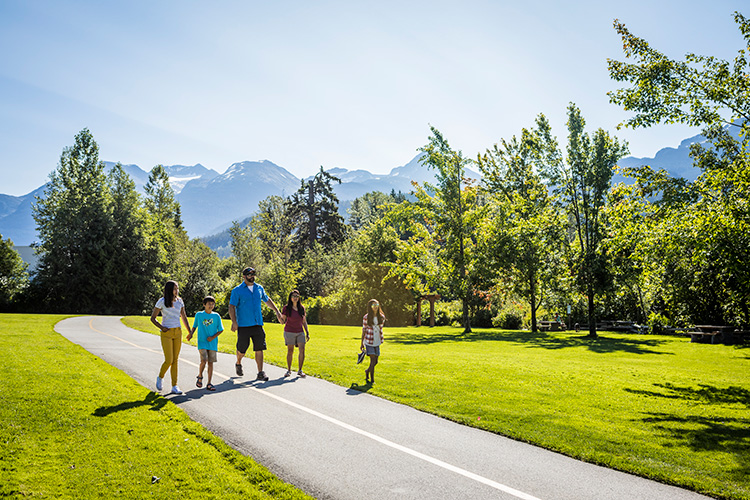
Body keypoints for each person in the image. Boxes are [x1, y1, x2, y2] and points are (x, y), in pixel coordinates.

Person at [228, 267, 283, 381]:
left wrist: (277, 312)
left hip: (257, 324)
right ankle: (238, 362)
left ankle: (260, 372)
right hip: (243, 325)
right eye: (249, 275)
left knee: (259, 348)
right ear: (244, 276)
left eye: (253, 274)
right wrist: (234, 322)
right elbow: (231, 306)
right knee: (242, 350)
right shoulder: (237, 290)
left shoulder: (259, 288)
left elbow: (267, 300)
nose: (252, 277)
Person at [150, 280, 191, 395]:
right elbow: (153, 318)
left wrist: (189, 331)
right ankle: (160, 377)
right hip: (166, 333)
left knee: (175, 360)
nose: (177, 290)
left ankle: (174, 386)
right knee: (169, 360)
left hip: (177, 332)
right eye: (175, 288)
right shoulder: (162, 301)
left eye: (177, 288)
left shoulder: (180, 301)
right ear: (169, 290)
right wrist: (162, 327)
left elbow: (184, 317)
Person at [187, 295, 223, 391]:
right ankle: (200, 376)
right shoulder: (199, 315)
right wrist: (191, 334)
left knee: (210, 363)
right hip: (202, 342)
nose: (211, 306)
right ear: (204, 305)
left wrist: (212, 337)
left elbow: (220, 330)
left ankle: (209, 383)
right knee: (204, 360)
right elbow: (195, 326)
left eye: (212, 304)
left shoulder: (216, 316)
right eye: (209, 304)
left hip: (212, 343)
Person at [280, 289, 310, 378]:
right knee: (290, 351)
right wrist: (279, 315)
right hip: (289, 331)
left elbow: (304, 321)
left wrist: (307, 332)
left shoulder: (301, 308)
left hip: (300, 332)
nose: (295, 298)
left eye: (297, 296)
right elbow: (283, 320)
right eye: (293, 296)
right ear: (290, 298)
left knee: (302, 350)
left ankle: (300, 370)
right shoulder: (287, 308)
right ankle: (289, 370)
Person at [360, 299, 385, 384]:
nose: (375, 307)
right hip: (369, 341)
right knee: (373, 360)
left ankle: (367, 371)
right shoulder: (366, 317)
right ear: (370, 307)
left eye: (377, 305)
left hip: (377, 341)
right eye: (373, 305)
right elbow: (364, 330)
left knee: (376, 361)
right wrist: (362, 343)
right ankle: (372, 380)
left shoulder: (381, 317)